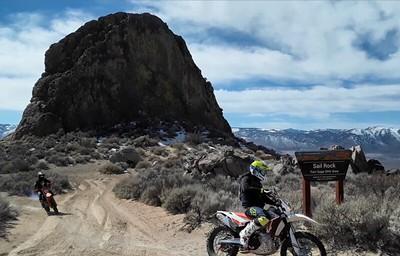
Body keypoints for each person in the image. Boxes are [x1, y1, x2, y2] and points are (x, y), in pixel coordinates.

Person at [238, 160, 277, 250]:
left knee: (273, 213)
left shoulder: (258, 182)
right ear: (255, 170)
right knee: (263, 218)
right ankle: (244, 235)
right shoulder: (246, 178)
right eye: (262, 171)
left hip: (258, 207)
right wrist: (261, 190)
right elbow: (246, 188)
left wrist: (275, 202)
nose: (264, 173)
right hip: (249, 207)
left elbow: (263, 197)